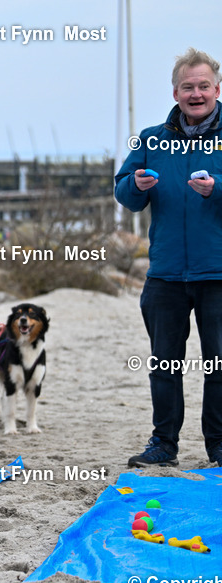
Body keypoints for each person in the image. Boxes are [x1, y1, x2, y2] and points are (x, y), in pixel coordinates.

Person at [115, 47, 222, 468]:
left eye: (203, 86)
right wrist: (136, 184)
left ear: (217, 88)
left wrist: (219, 188)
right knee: (164, 364)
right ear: (175, 92)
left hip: (217, 273)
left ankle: (218, 445)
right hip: (165, 274)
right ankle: (164, 444)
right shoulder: (150, 139)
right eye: (187, 87)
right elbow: (125, 192)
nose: (196, 94)